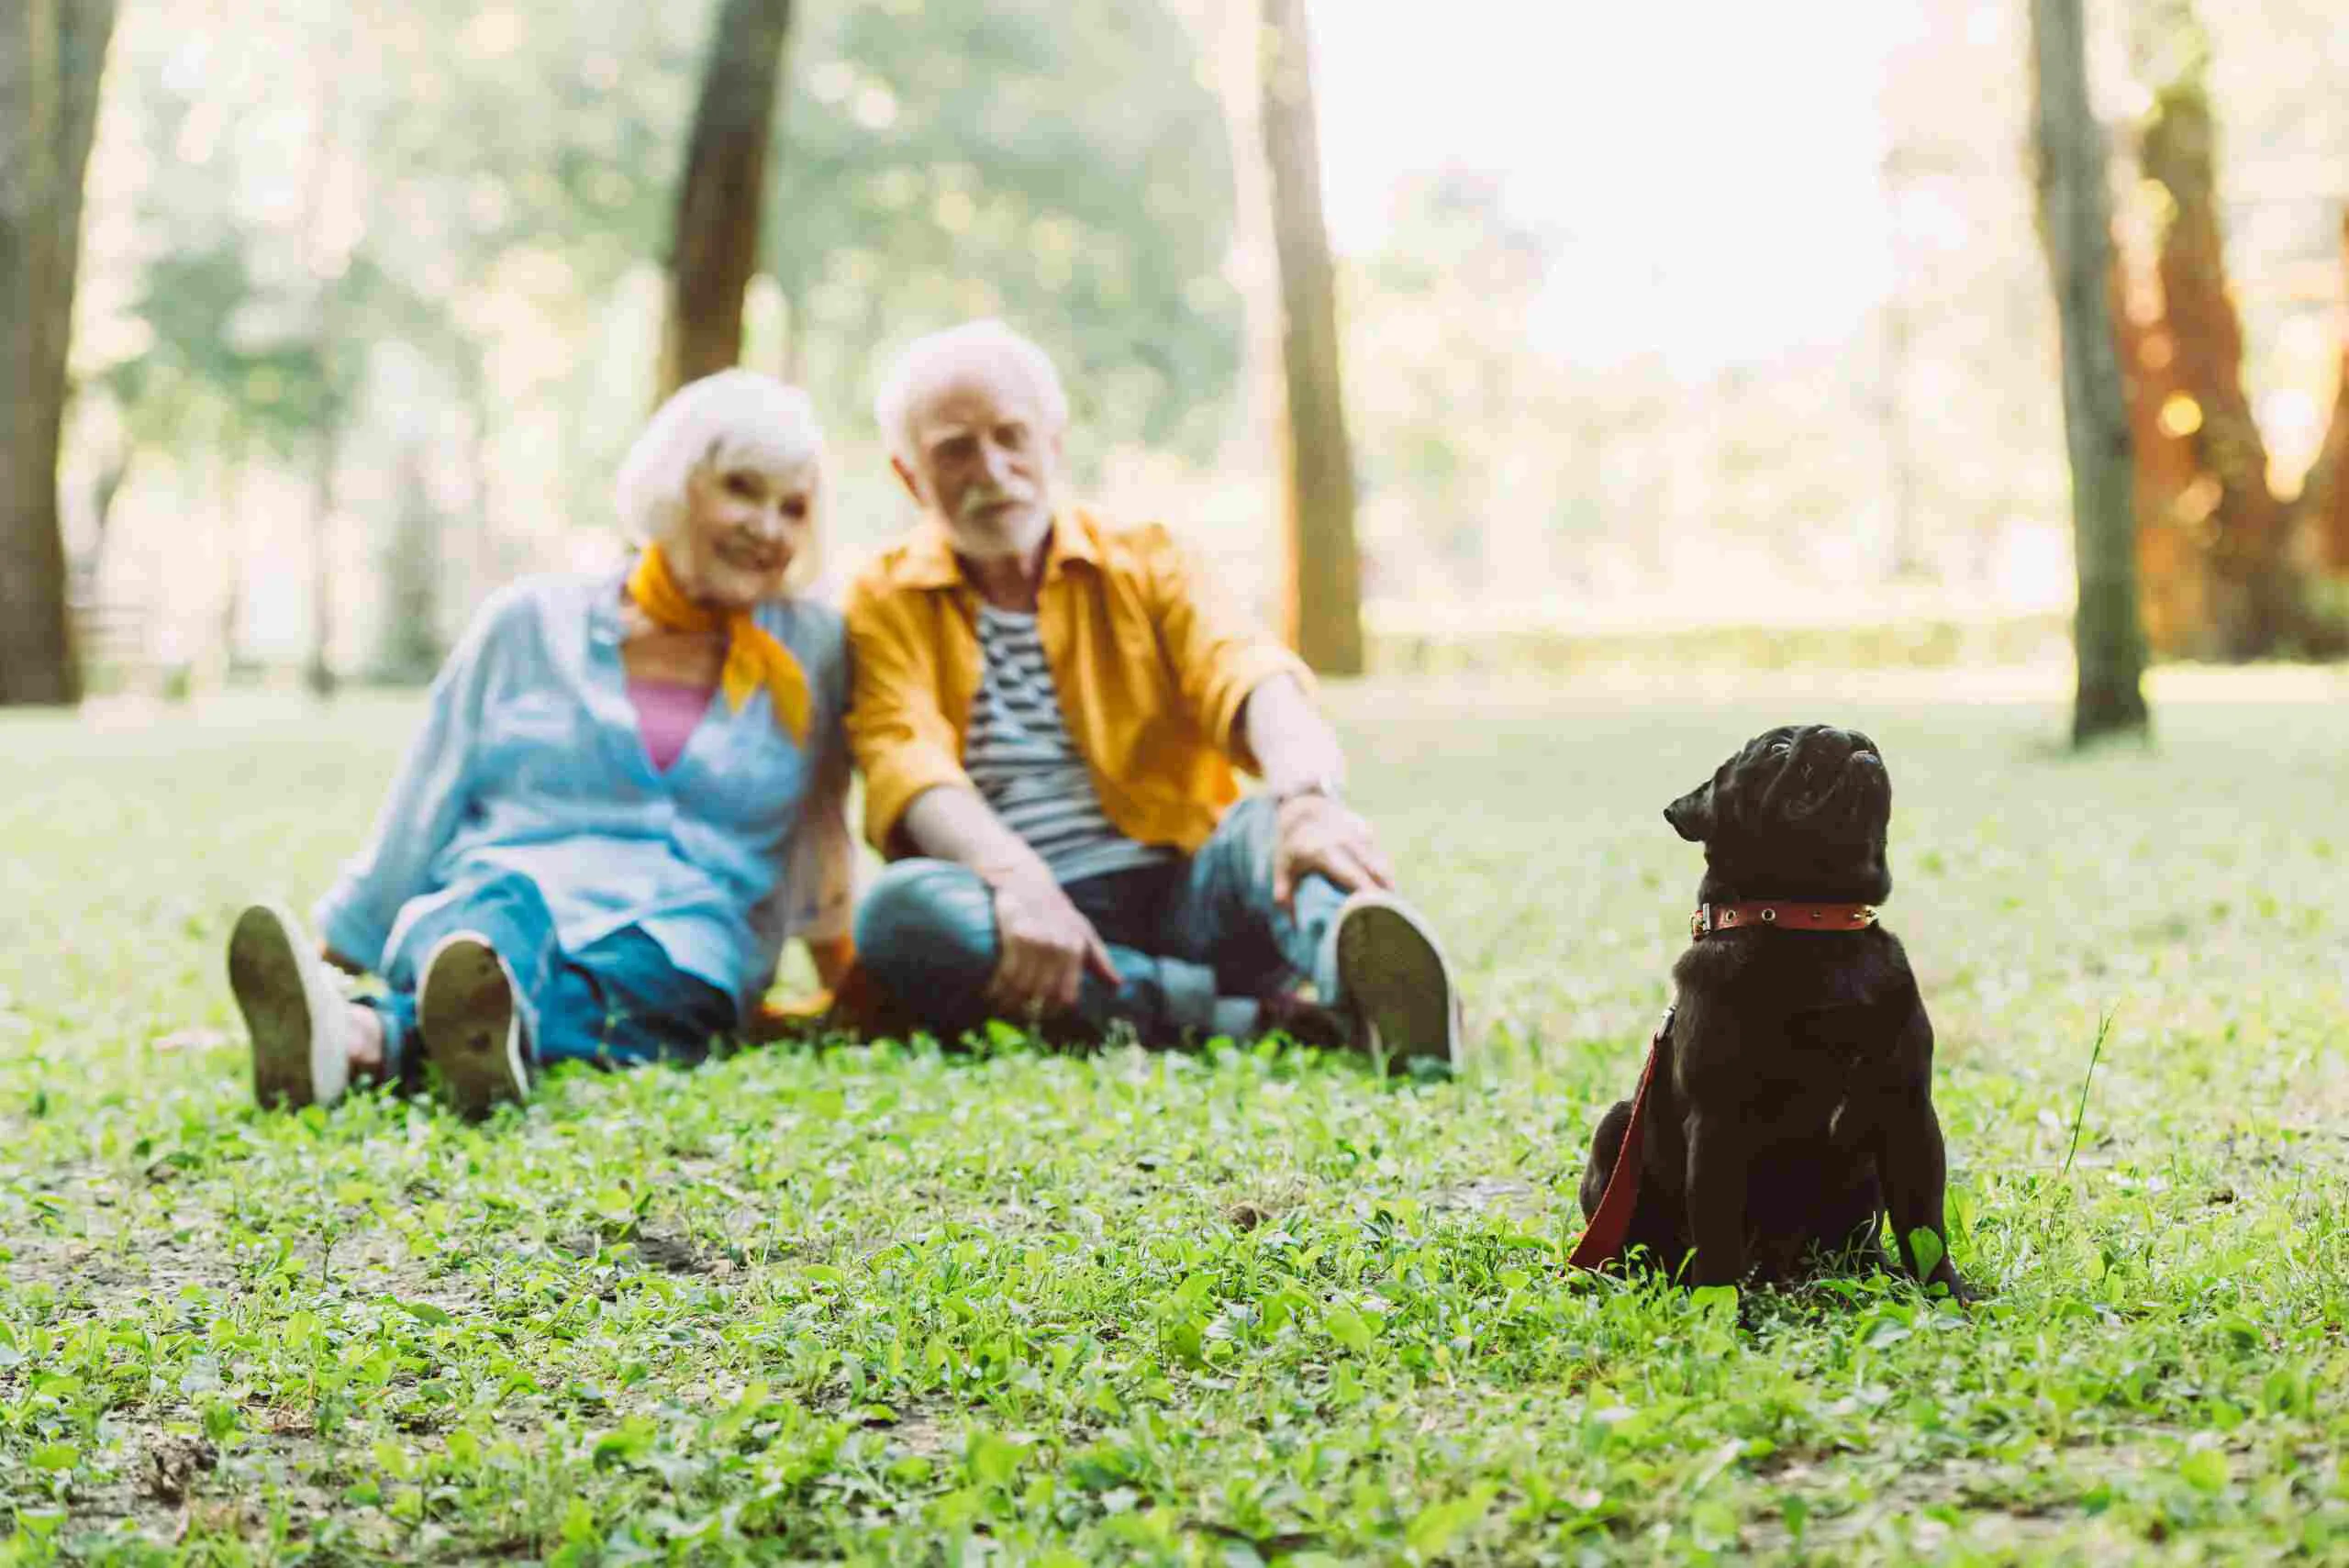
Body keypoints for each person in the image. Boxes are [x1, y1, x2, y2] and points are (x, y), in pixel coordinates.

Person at [225, 370, 855, 1116]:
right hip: (495, 902)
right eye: (743, 489)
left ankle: (362, 1034)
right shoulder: (528, 623)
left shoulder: (812, 649)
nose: (769, 527)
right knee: (492, 917)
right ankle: (421, 1024)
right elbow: (428, 793)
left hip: (677, 942)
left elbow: (822, 825)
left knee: (641, 985)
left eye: (794, 508)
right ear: (674, 484)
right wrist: (333, 957)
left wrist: (848, 988)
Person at [843, 319, 1462, 1066]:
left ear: (1054, 441)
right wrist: (1016, 880)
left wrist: (1306, 796)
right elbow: (904, 761)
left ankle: (1371, 987)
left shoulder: (1146, 557)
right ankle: (1253, 1019)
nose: (993, 469)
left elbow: (1243, 665)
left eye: (1012, 436)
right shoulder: (881, 598)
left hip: (1187, 889)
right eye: (955, 450)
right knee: (898, 913)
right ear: (909, 476)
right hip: (1026, 923)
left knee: (1277, 827)